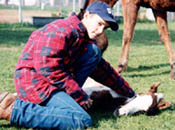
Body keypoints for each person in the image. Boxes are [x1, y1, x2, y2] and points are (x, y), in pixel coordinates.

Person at [0, 1, 136, 130]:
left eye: (104, 27)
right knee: (81, 120)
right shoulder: (61, 31)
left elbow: (103, 71)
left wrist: (131, 94)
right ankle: (11, 108)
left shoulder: (83, 38)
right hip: (35, 83)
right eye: (99, 23)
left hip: (52, 83)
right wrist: (79, 95)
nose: (101, 30)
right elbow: (49, 69)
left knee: (94, 53)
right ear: (87, 15)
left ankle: (63, 103)